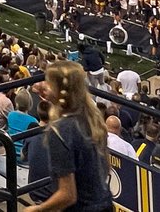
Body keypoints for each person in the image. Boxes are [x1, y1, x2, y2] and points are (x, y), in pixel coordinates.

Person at [28, 60, 113, 212]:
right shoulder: (93, 119)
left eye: (49, 83)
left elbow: (67, 195)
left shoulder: (60, 131)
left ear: (59, 90)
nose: (44, 86)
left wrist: (39, 209)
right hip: (104, 203)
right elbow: (106, 167)